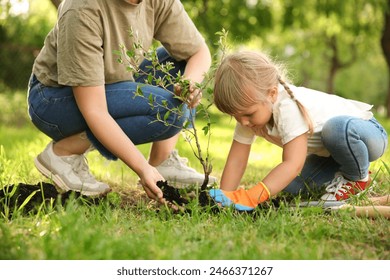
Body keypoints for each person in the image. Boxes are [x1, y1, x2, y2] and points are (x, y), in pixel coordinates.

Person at [27, 0, 216, 203]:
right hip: (54, 100)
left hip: (114, 84)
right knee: (168, 111)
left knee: (181, 64)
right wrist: (143, 169)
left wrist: (189, 83)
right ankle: (64, 152)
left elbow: (198, 52)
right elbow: (95, 110)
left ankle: (163, 161)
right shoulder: (82, 8)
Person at [209, 50, 388, 211]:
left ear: (271, 94)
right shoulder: (249, 116)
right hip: (332, 156)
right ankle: (343, 178)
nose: (243, 122)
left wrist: (253, 196)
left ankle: (357, 179)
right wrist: (226, 196)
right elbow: (236, 161)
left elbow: (293, 163)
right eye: (236, 116)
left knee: (336, 129)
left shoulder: (288, 107)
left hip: (366, 135)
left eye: (248, 114)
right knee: (291, 188)